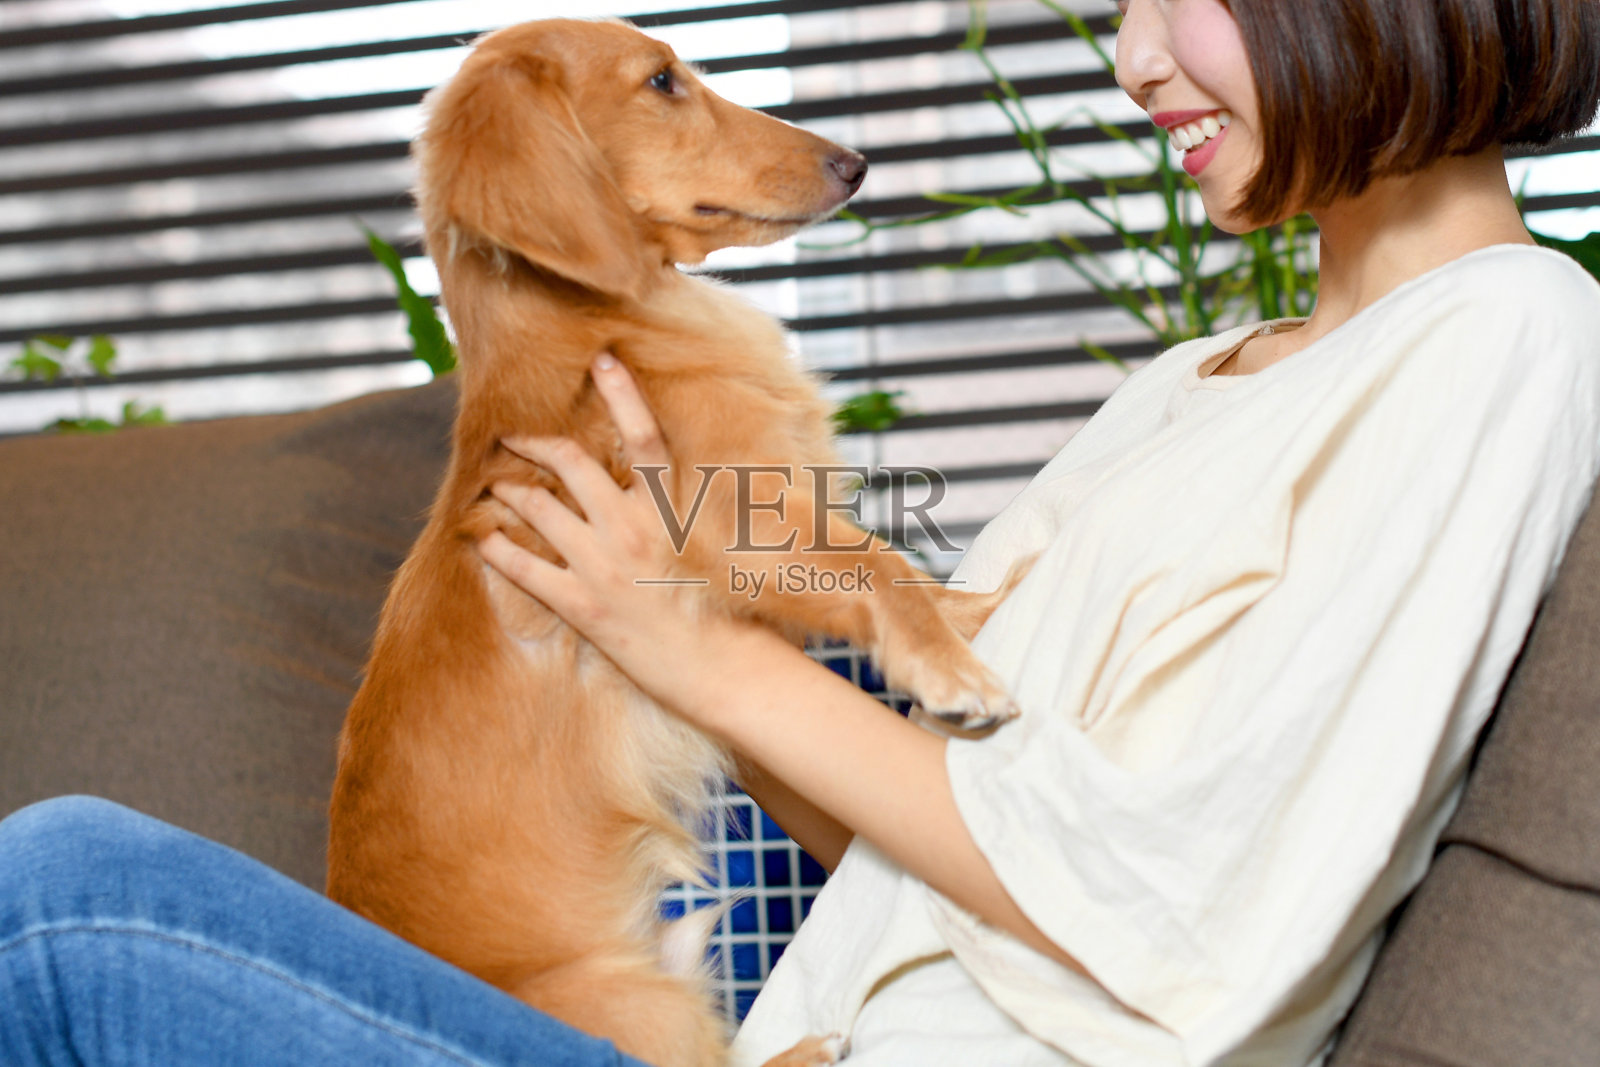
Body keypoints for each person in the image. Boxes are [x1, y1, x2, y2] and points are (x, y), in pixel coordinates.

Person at [1, 1, 1597, 1064]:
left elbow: (1197, 908)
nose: (1128, 57)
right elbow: (936, 842)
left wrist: (677, 633)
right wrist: (687, 635)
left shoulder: (1505, 335)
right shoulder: (1185, 391)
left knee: (64, 901)